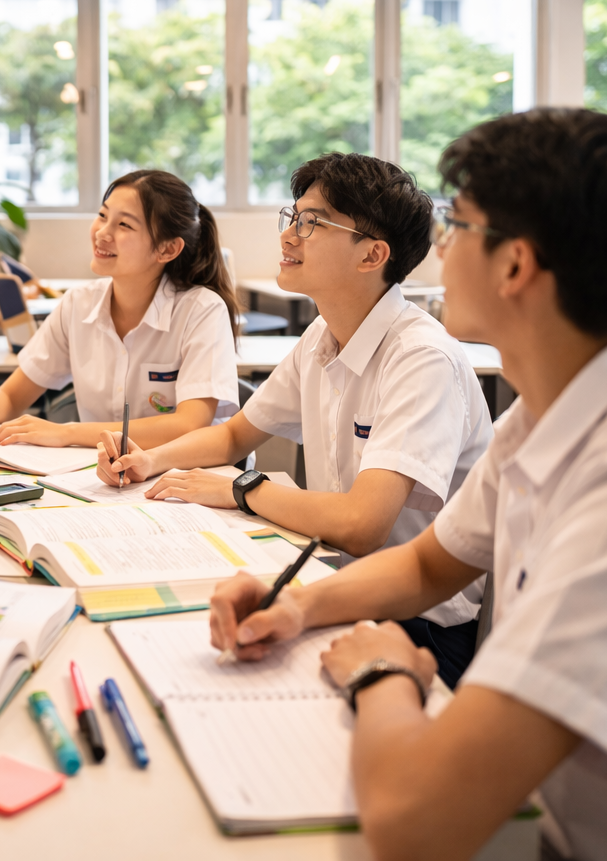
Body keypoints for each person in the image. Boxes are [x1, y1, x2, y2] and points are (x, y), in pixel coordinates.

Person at [207, 108, 607, 861]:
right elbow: (430, 563)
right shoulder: (539, 419)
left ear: (515, 264)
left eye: (458, 227)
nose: (441, 250)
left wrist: (385, 669)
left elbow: (412, 823)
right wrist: (295, 605)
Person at [98, 153, 492, 687]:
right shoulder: (323, 335)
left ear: (373, 254)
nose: (289, 237)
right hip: (337, 587)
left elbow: (361, 525)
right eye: (294, 217)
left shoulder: (421, 358)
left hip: (418, 626)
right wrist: (150, 460)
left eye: (313, 223)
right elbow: (238, 432)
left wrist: (243, 488)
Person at [0, 170, 239, 450]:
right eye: (102, 216)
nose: (102, 232)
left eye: (124, 225)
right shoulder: (79, 304)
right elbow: (11, 396)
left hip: (185, 480)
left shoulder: (202, 310)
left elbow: (188, 425)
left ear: (167, 249)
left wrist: (68, 433)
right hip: (103, 477)